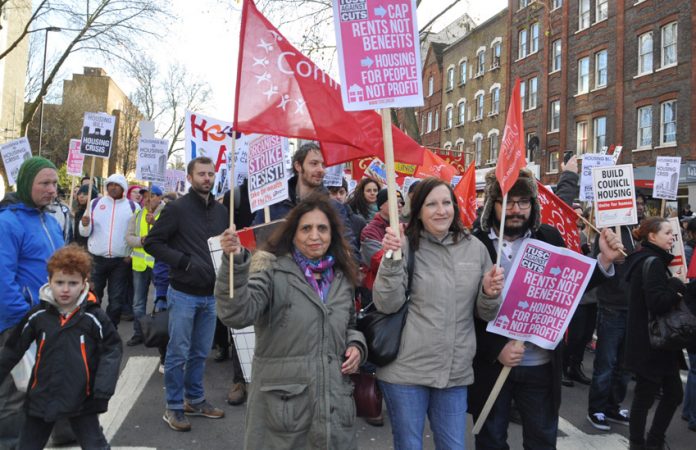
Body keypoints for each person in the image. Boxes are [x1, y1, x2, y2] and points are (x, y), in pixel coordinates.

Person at [469, 169, 623, 450]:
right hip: (492, 367)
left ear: (533, 205)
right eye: (508, 202)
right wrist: (496, 349)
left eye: (524, 202)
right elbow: (464, 312)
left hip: (540, 367)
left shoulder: (548, 237)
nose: (516, 210)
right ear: (493, 204)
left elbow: (571, 284)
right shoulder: (473, 243)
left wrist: (603, 260)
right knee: (491, 441)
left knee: (542, 440)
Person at [215, 194, 367, 449]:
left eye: (322, 228)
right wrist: (235, 263)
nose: (314, 235)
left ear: (333, 234)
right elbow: (236, 314)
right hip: (282, 416)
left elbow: (349, 326)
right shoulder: (271, 270)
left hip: (333, 412)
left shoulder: (342, 277)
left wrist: (356, 346)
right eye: (306, 228)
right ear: (293, 234)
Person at [374, 177, 505, 449]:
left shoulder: (476, 249)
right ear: (419, 210)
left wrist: (490, 294)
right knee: (409, 446)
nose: (441, 210)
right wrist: (390, 260)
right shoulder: (405, 245)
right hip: (406, 372)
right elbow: (387, 304)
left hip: (454, 373)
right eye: (431, 204)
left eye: (446, 202)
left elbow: (485, 314)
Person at [0, 245, 122, 449]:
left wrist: (102, 390)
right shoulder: (37, 316)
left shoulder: (94, 317)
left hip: (82, 398)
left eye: (73, 283)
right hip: (42, 395)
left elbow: (112, 350)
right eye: (59, 282)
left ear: (84, 283)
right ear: (49, 281)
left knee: (95, 444)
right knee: (28, 445)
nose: (65, 289)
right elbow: (13, 350)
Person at [144, 156, 228, 432]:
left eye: (211, 173)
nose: (207, 178)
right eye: (201, 174)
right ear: (190, 178)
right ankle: (174, 407)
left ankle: (195, 399)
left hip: (211, 294)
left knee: (200, 351)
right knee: (178, 352)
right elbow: (153, 243)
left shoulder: (220, 212)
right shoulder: (177, 209)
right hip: (183, 293)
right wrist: (184, 261)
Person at [0, 157, 64, 448]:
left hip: (51, 319)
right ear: (27, 184)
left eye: (54, 183)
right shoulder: (7, 222)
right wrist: (25, 319)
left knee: (50, 382)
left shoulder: (51, 220)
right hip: (18, 323)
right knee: (15, 393)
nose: (52, 190)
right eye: (45, 183)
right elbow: (3, 279)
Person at [624, 218, 687, 449]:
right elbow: (657, 302)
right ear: (652, 236)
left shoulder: (644, 259)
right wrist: (677, 284)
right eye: (668, 232)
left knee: (668, 394)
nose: (673, 237)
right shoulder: (653, 262)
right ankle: (642, 443)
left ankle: (651, 441)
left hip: (653, 343)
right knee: (648, 397)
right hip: (652, 344)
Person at [586, 193, 646, 431]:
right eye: (636, 203)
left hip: (633, 308)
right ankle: (597, 409)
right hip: (611, 306)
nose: (640, 207)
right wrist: (610, 259)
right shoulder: (609, 233)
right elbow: (595, 264)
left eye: (641, 204)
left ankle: (613, 405)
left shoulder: (638, 234)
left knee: (624, 365)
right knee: (606, 363)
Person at [251, 142, 359, 256]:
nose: (321, 170)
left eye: (323, 165)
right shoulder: (273, 205)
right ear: (298, 166)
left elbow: (350, 251)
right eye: (314, 164)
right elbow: (252, 244)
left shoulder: (334, 207)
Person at [79, 173, 139, 327]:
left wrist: (131, 255)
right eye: (110, 184)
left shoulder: (133, 207)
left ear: (123, 188)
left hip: (121, 261)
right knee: (93, 296)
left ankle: (110, 330)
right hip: (97, 259)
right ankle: (91, 327)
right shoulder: (94, 203)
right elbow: (84, 233)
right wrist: (84, 224)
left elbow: (138, 233)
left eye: (117, 185)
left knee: (116, 300)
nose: (113, 187)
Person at [125, 185, 165, 346]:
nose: (148, 199)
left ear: (160, 198)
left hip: (160, 265)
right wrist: (140, 241)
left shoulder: (167, 213)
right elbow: (129, 237)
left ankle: (162, 334)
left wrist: (154, 223)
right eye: (145, 196)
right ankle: (139, 333)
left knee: (162, 300)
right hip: (140, 265)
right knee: (138, 302)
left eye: (153, 195)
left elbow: (169, 236)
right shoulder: (138, 214)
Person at [562, 206, 597, 387]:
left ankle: (575, 366)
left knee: (585, 336)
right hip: (579, 296)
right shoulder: (577, 237)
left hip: (594, 296)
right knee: (575, 335)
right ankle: (563, 367)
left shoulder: (599, 238)